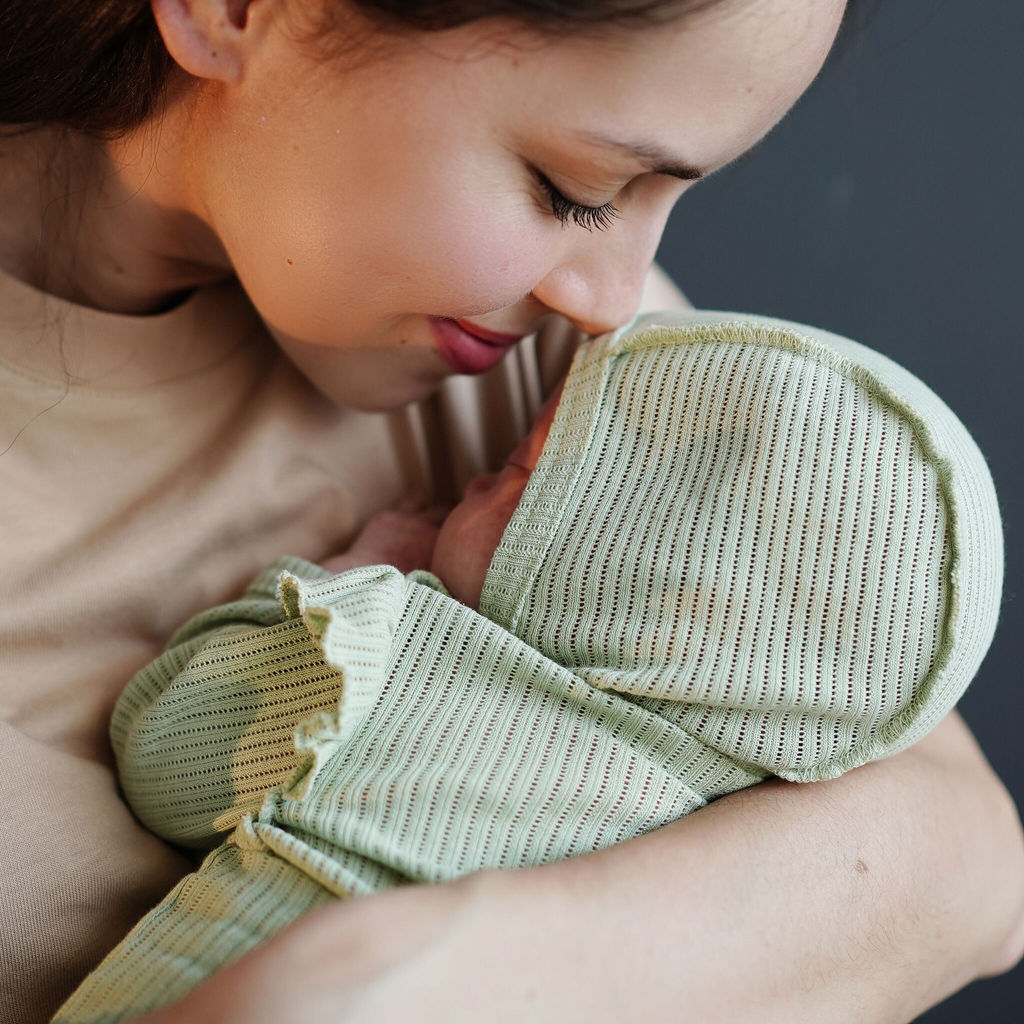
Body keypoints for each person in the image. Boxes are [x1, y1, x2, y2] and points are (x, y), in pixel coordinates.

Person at [1, 2, 1021, 1022]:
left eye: (666, 195)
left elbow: (972, 861)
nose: (614, 303)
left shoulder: (573, 371)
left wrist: (400, 973)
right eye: (573, 190)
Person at [54, 310, 1006, 1022]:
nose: (474, 476)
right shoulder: (725, 808)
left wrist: (346, 579)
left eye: (514, 475)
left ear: (632, 583)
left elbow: (166, 753)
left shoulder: (398, 658)